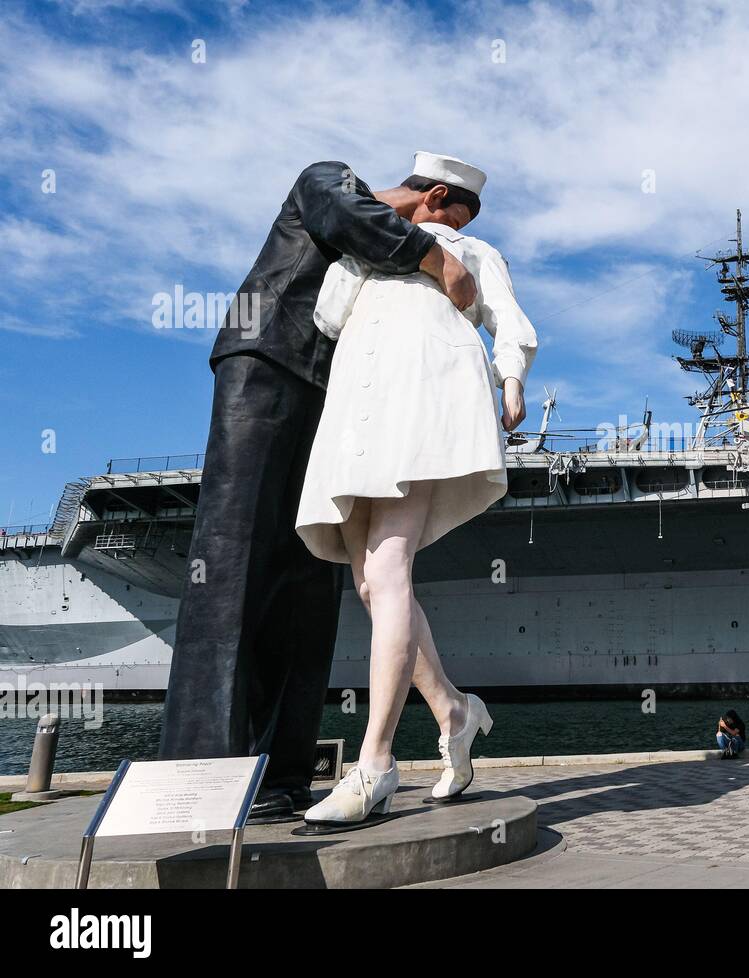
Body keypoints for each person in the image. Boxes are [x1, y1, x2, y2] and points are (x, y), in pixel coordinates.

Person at [158, 156, 479, 822]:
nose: (452, 243)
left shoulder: (387, 259)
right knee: (232, 564)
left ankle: (280, 776)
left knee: (314, 578)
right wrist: (439, 262)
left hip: (330, 395)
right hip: (266, 361)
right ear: (434, 197)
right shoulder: (330, 179)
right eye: (451, 223)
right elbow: (346, 217)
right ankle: (204, 776)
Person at [296, 152, 538, 825]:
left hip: (426, 387)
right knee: (371, 582)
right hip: (357, 398)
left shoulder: (474, 250)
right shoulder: (370, 247)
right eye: (451, 210)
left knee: (391, 563)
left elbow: (508, 319)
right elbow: (325, 315)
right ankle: (455, 711)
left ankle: (373, 763)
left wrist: (511, 378)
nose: (452, 222)